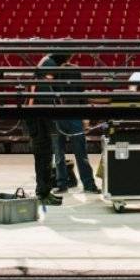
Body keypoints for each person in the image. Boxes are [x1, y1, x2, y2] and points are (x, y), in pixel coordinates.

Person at [49, 56, 100, 195]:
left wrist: (85, 117)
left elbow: (81, 93)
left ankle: (87, 184)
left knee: (80, 152)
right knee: (59, 154)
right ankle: (63, 184)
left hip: (73, 114)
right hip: (59, 115)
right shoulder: (52, 70)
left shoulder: (74, 70)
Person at [28, 53, 66, 205]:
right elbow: (47, 102)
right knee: (43, 158)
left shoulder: (43, 73)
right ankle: (43, 194)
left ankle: (45, 192)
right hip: (38, 123)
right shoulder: (44, 79)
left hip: (38, 122)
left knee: (45, 157)